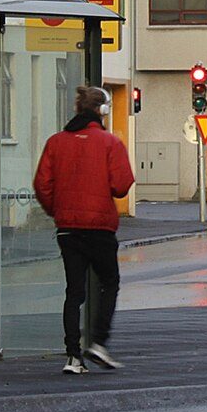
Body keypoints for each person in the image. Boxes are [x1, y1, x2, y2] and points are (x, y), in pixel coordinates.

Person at [33, 85, 136, 374]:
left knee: (74, 291)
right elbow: (121, 185)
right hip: (100, 227)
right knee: (109, 282)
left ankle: (73, 356)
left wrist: (58, 210)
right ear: (102, 111)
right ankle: (99, 343)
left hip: (68, 228)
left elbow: (42, 184)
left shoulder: (56, 142)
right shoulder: (110, 143)